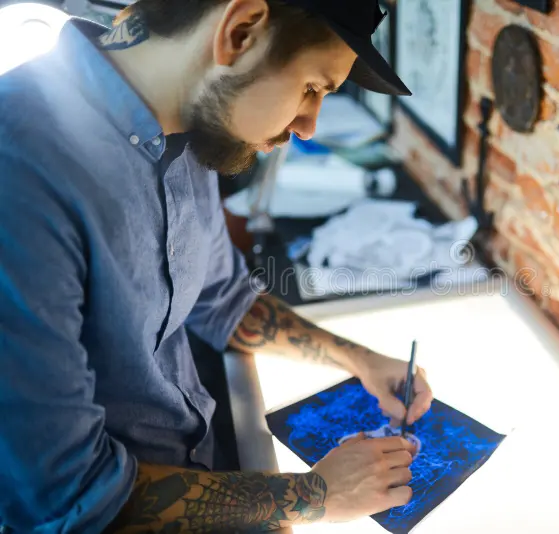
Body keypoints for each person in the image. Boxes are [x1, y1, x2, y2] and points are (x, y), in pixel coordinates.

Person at [0, 0, 435, 531]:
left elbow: (222, 300)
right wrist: (316, 495)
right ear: (241, 29)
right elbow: (65, 497)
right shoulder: (20, 169)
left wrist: (360, 360)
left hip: (203, 459)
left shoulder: (193, 123)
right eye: (312, 88)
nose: (308, 126)